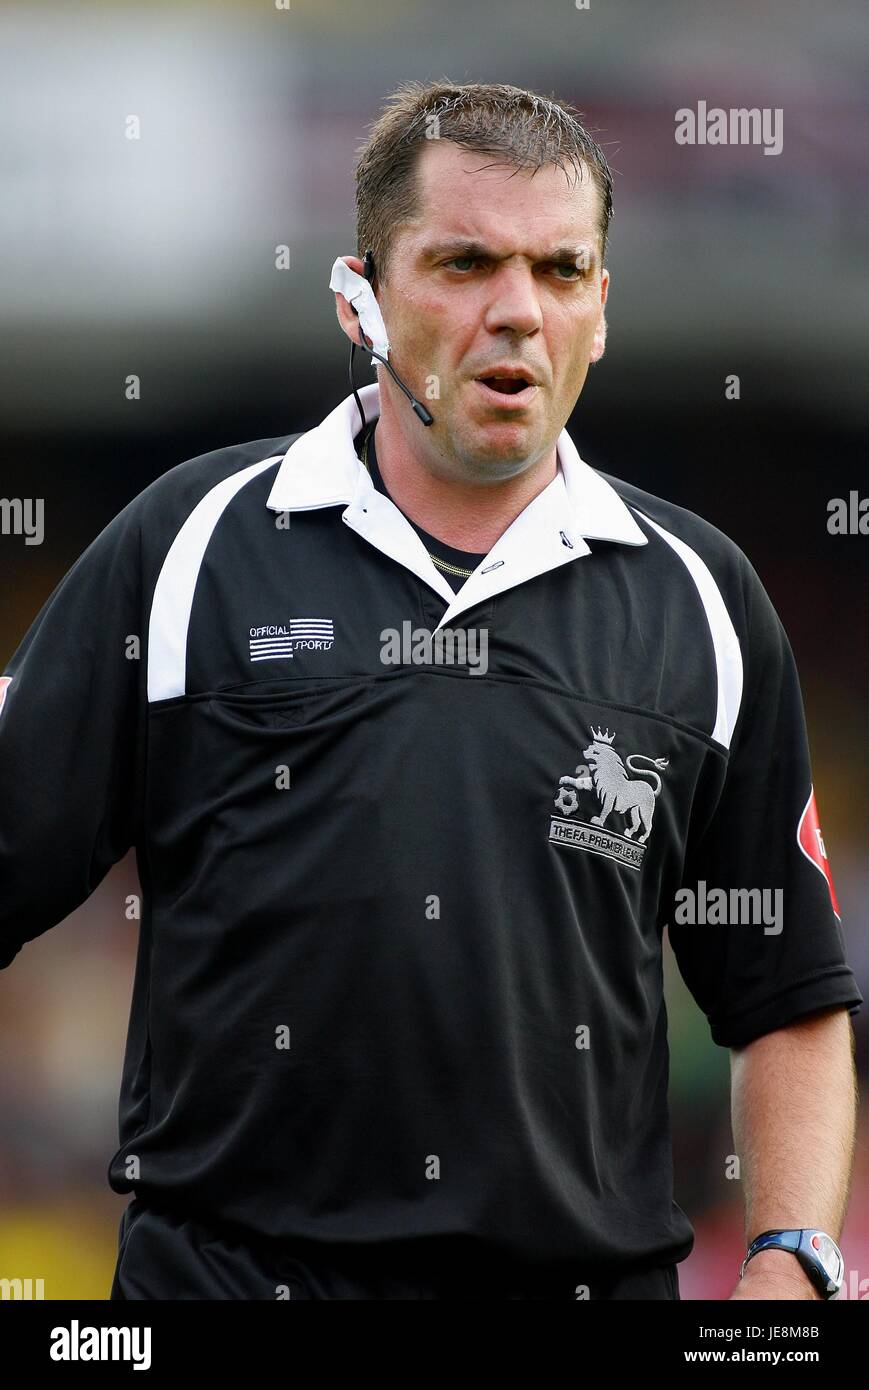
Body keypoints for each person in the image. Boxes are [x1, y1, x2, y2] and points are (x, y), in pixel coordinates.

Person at [0, 80, 861, 1302]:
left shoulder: (701, 599)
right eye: (463, 263)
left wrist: (789, 1255)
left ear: (600, 309)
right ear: (359, 298)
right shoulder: (187, 547)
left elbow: (786, 999)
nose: (515, 311)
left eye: (560, 271)